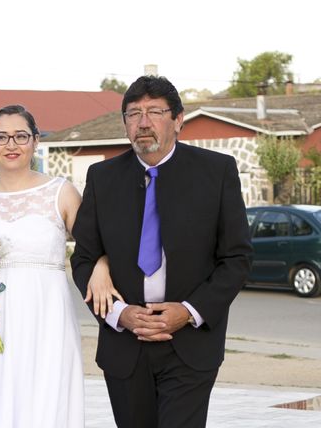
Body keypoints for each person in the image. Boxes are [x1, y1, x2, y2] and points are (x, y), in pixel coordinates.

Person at [71, 76, 252, 428]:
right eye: (133, 113)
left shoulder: (216, 172)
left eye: (155, 111)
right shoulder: (102, 177)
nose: (143, 122)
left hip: (190, 345)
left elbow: (237, 259)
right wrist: (119, 314)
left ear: (178, 119)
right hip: (125, 347)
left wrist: (187, 312)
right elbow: (83, 259)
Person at [0, 105, 121, 428]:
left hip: (48, 315)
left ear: (34, 141)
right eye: (2, 137)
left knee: (46, 396)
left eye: (21, 136)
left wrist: (102, 265)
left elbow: (97, 245)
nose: (12, 145)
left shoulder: (61, 192)